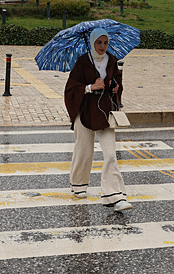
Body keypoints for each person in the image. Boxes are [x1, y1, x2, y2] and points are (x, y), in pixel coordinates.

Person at [64, 27, 131, 212]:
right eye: (99, 42)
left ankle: (115, 196)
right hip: (85, 111)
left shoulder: (112, 60)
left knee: (110, 154)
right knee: (83, 150)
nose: (102, 46)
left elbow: (118, 80)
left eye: (105, 42)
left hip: (104, 112)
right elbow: (70, 89)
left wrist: (116, 87)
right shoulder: (83, 61)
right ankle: (78, 184)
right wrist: (89, 87)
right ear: (92, 42)